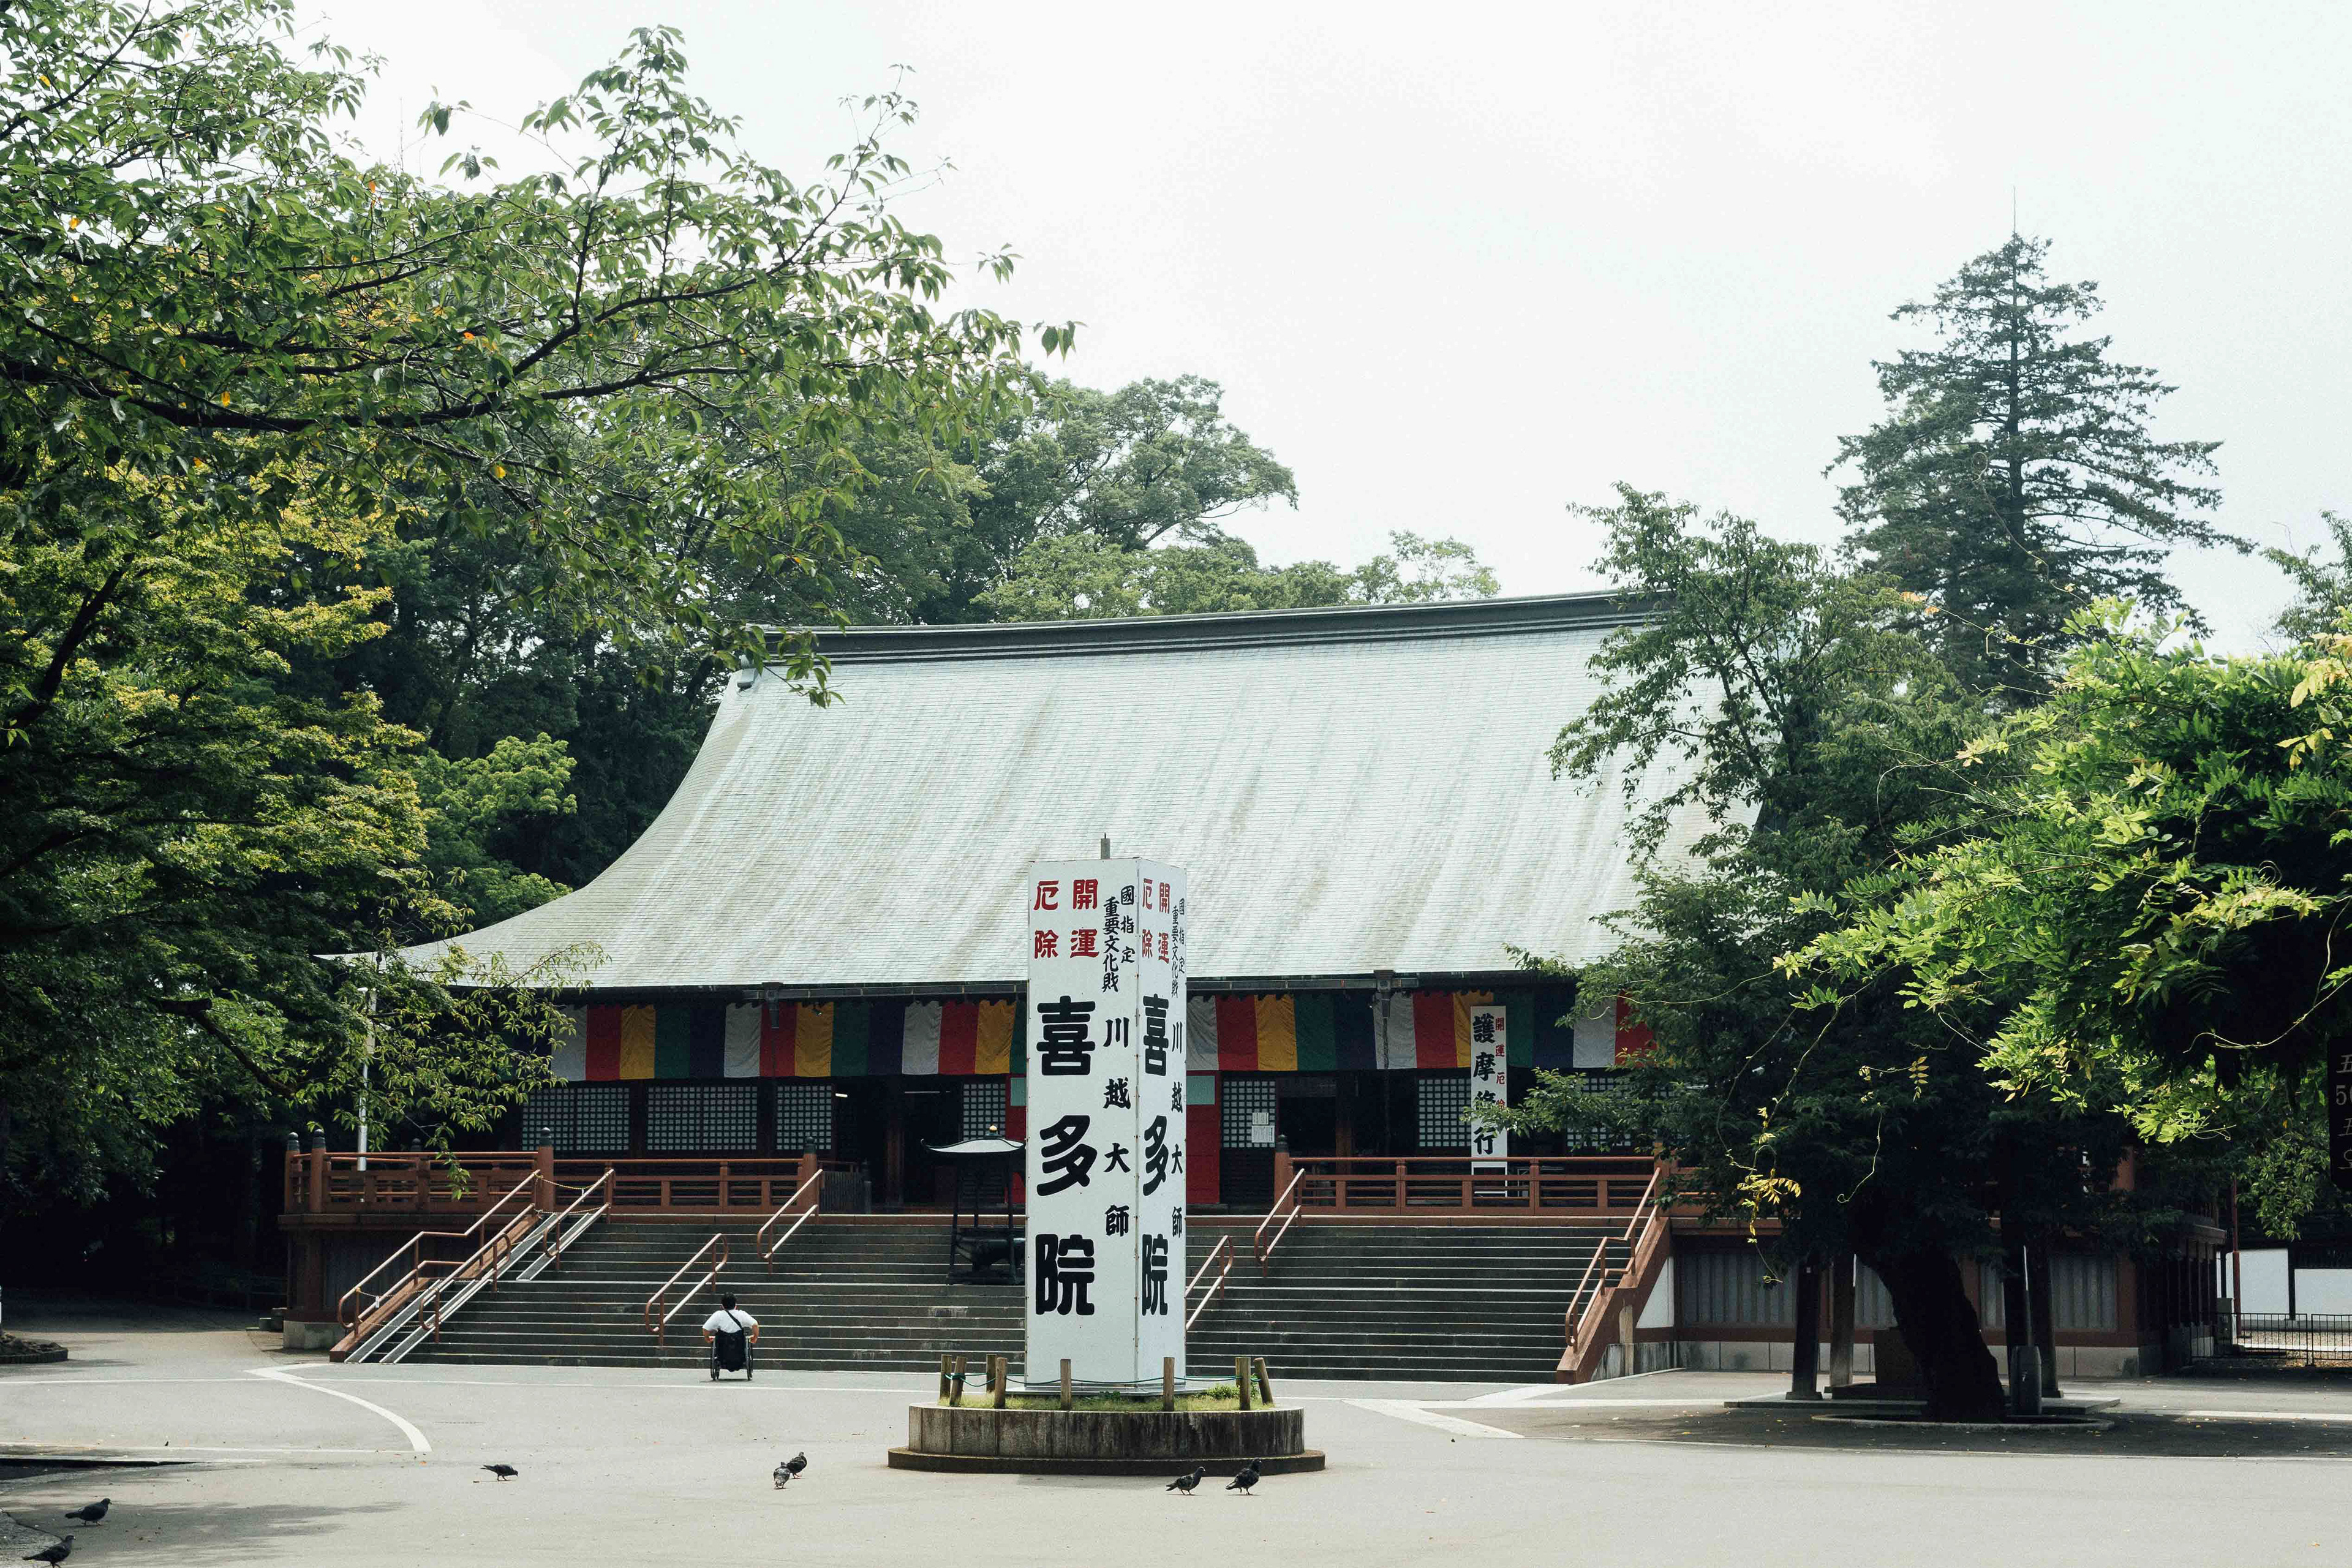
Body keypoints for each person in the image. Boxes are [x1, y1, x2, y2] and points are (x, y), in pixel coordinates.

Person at [701, 1294, 759, 1381]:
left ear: (722, 1306)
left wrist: (707, 1339)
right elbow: (755, 1325)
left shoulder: (718, 1315)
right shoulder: (741, 1314)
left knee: (719, 1338)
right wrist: (755, 1337)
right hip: (739, 1352)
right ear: (736, 1305)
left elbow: (705, 1329)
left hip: (722, 1354)